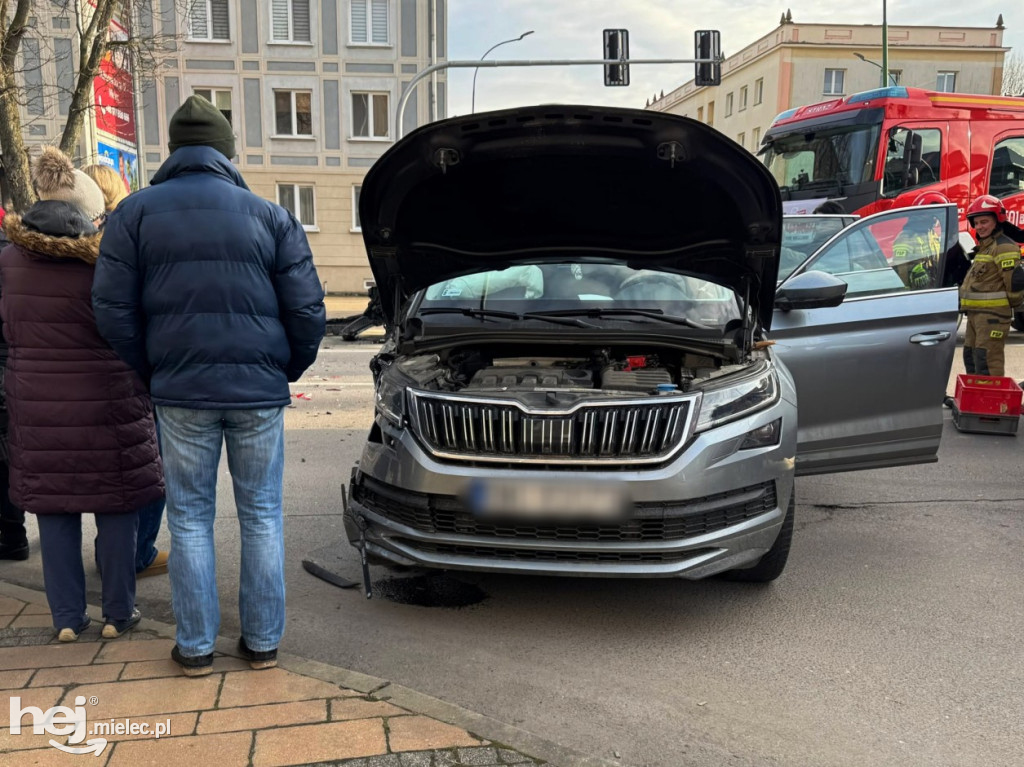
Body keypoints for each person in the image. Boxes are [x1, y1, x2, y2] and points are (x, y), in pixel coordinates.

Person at [92, 95, 326, 676]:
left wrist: (154, 369)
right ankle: (263, 644)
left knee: (190, 519)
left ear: (174, 151)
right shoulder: (271, 215)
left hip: (180, 392)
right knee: (263, 515)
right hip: (257, 394)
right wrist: (282, 372)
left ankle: (195, 647)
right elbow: (308, 312)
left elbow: (112, 310)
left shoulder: (135, 215)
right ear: (226, 153)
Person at [0, 148, 163, 641]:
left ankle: (67, 619)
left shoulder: (7, 262)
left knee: (54, 508)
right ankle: (118, 614)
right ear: (90, 217)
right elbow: (135, 330)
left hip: (35, 402)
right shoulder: (108, 264)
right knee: (116, 503)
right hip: (109, 400)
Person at [83, 163, 169, 579]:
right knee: (150, 464)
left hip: (86, 374)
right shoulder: (134, 234)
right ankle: (136, 551)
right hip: (131, 371)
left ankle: (111, 549)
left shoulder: (73, 243)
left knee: (108, 467)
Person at [959, 195, 1024, 376]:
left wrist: (1008, 309)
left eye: (984, 221)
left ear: (997, 221)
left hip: (992, 317)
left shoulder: (1004, 247)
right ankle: (977, 401)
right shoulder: (984, 247)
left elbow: (1014, 284)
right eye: (977, 223)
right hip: (976, 316)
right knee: (972, 360)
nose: (980, 226)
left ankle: (992, 403)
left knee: (987, 363)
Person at [0, 206, 29, 561]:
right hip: (14, 365)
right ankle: (13, 531)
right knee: (8, 455)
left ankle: (13, 534)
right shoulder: (15, 257)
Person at [891, 193, 947, 289]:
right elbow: (901, 269)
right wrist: (908, 289)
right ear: (927, 215)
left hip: (934, 287)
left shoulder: (931, 234)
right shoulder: (906, 237)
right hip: (916, 291)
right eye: (935, 215)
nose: (937, 219)